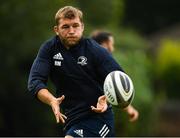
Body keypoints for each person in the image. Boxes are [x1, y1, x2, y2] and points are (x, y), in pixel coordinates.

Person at [28, 6, 134, 137]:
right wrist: (51, 100)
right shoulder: (49, 49)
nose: (71, 31)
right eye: (65, 27)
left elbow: (121, 79)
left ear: (82, 27)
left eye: (75, 26)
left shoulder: (95, 50)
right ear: (56, 30)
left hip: (98, 118)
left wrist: (106, 99)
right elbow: (35, 82)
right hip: (71, 119)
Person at [91, 30, 139, 122]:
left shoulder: (87, 57)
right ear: (104, 44)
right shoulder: (103, 64)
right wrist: (129, 109)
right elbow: (117, 90)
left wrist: (129, 108)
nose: (113, 49)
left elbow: (114, 90)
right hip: (96, 116)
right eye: (111, 44)